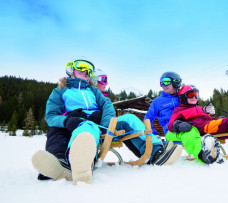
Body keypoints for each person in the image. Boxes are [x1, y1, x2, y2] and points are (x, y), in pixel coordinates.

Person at [32, 59, 183, 184]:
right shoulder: (60, 90)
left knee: (130, 118)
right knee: (84, 127)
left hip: (101, 121)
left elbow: (107, 106)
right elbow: (51, 115)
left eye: (88, 71)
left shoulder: (93, 91)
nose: (86, 73)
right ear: (71, 71)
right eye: (81, 69)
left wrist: (106, 123)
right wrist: (66, 121)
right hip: (76, 121)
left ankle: (156, 152)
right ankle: (76, 162)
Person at [144, 72, 220, 164]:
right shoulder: (157, 102)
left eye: (166, 81)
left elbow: (193, 109)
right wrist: (154, 136)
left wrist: (204, 110)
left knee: (218, 124)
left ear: (175, 82)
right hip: (172, 131)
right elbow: (148, 118)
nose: (163, 84)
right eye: (161, 82)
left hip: (192, 126)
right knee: (188, 131)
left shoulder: (183, 96)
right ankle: (202, 155)